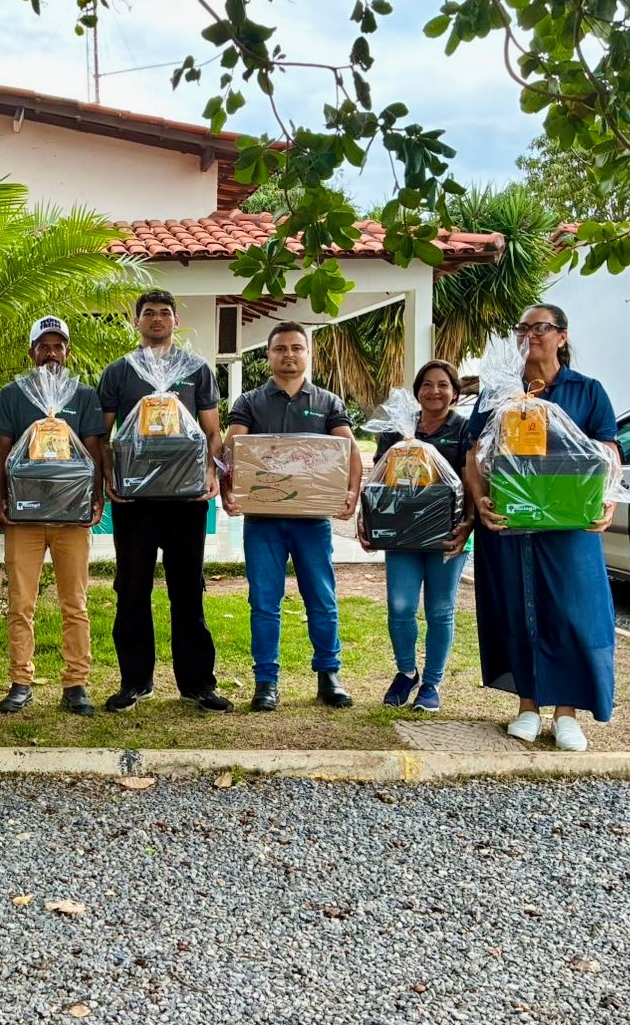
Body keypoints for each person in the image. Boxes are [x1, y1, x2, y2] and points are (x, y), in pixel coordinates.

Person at [464, 304, 619, 752]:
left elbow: (608, 451)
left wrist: (605, 500)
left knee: (569, 610)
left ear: (562, 336)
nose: (531, 334)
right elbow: (476, 453)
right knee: (517, 607)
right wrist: (480, 500)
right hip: (511, 522)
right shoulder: (498, 392)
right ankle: (528, 706)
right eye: (523, 328)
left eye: (541, 327)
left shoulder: (588, 392)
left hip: (567, 525)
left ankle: (566, 712)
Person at [97, 289, 232, 713]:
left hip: (186, 500)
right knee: (132, 589)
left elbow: (213, 430)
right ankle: (135, 681)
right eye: (149, 313)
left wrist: (211, 472)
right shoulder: (119, 372)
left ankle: (197, 684)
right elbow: (104, 435)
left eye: (165, 313)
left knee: (187, 589)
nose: (157, 319)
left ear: (176, 322)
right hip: (134, 501)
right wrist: (109, 478)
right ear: (136, 322)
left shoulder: (197, 370)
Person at [223, 321, 362, 712]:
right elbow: (231, 448)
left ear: (307, 354)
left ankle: (328, 675)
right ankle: (265, 681)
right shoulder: (250, 402)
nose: (289, 355)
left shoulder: (328, 402)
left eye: (296, 348)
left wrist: (351, 492)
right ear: (268, 355)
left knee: (321, 597)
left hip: (311, 521)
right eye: (280, 348)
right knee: (264, 601)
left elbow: (348, 450)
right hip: (263, 522)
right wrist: (227, 491)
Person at [0, 316, 104, 717]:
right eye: (44, 346)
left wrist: (97, 497)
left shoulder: (84, 395)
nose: (51, 353)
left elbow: (94, 450)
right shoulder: (12, 395)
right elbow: (2, 452)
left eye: (58, 346)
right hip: (24, 519)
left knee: (75, 602)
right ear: (32, 352)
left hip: (72, 518)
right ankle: (20, 680)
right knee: (20, 603)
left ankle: (76, 683)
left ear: (68, 352)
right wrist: (2, 500)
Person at [366, 361, 474, 713]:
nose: (434, 391)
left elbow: (471, 478)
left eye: (443, 385)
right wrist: (366, 521)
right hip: (402, 534)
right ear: (417, 392)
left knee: (440, 609)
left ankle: (431, 683)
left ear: (454, 392)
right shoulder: (397, 430)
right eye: (427, 385)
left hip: (447, 534)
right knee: (400, 607)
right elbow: (378, 482)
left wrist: (468, 524)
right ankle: (406, 671)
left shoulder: (463, 429)